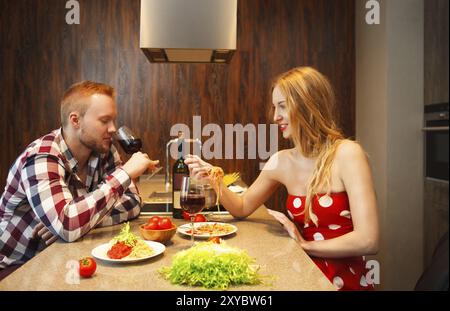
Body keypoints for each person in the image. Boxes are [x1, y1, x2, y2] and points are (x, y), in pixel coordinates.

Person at [185, 67, 379, 291]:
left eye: (283, 107)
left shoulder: (348, 153)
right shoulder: (281, 161)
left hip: (341, 280)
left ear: (308, 105)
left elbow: (368, 240)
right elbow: (242, 206)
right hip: (300, 271)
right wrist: (214, 179)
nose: (275, 116)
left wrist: (306, 245)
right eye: (274, 107)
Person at [0, 81, 159, 279]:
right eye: (104, 121)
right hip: (17, 268)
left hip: (61, 260)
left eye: (113, 120)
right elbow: (68, 225)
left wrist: (82, 222)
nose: (113, 129)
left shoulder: (105, 151)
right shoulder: (42, 157)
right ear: (75, 120)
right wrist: (125, 174)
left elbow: (134, 203)